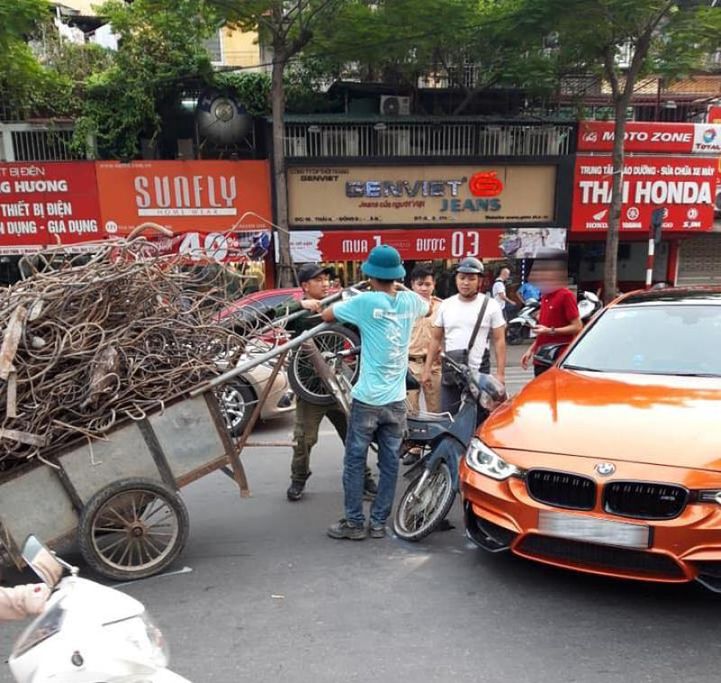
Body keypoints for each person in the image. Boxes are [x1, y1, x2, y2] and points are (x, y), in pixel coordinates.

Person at [321, 245, 429, 540]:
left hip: (367, 400)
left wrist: (314, 306)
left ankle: (354, 524)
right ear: (397, 275)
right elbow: (426, 304)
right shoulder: (410, 301)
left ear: (369, 274)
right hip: (396, 403)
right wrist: (402, 287)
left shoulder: (365, 301)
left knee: (355, 461)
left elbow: (327, 314)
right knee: (390, 463)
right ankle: (379, 523)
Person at [276, 263, 377, 502]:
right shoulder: (298, 314)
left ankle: (364, 479)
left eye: (326, 280)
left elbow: (358, 328)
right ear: (305, 286)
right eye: (318, 280)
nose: (325, 284)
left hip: (339, 384)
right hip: (310, 389)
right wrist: (299, 305)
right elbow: (276, 315)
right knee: (304, 439)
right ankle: (298, 480)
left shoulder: (337, 308)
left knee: (354, 436)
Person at [423, 257, 506, 415]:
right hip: (451, 370)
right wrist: (427, 369)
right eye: (462, 278)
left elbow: (499, 340)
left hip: (479, 371)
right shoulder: (446, 305)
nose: (465, 283)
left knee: (479, 417)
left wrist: (500, 374)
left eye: (471, 279)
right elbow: (435, 339)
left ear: (479, 281)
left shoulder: (491, 305)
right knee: (447, 417)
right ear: (456, 279)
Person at [520, 256, 583, 377]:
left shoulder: (566, 295)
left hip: (557, 358)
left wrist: (551, 331)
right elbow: (543, 329)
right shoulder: (545, 296)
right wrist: (531, 350)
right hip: (541, 357)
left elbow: (577, 326)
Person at [406, 264, 442, 414]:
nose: (423, 288)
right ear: (412, 285)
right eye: (419, 284)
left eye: (427, 284)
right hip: (410, 365)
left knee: (436, 411)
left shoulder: (442, 307)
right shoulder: (404, 307)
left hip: (434, 365)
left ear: (434, 285)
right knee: (410, 412)